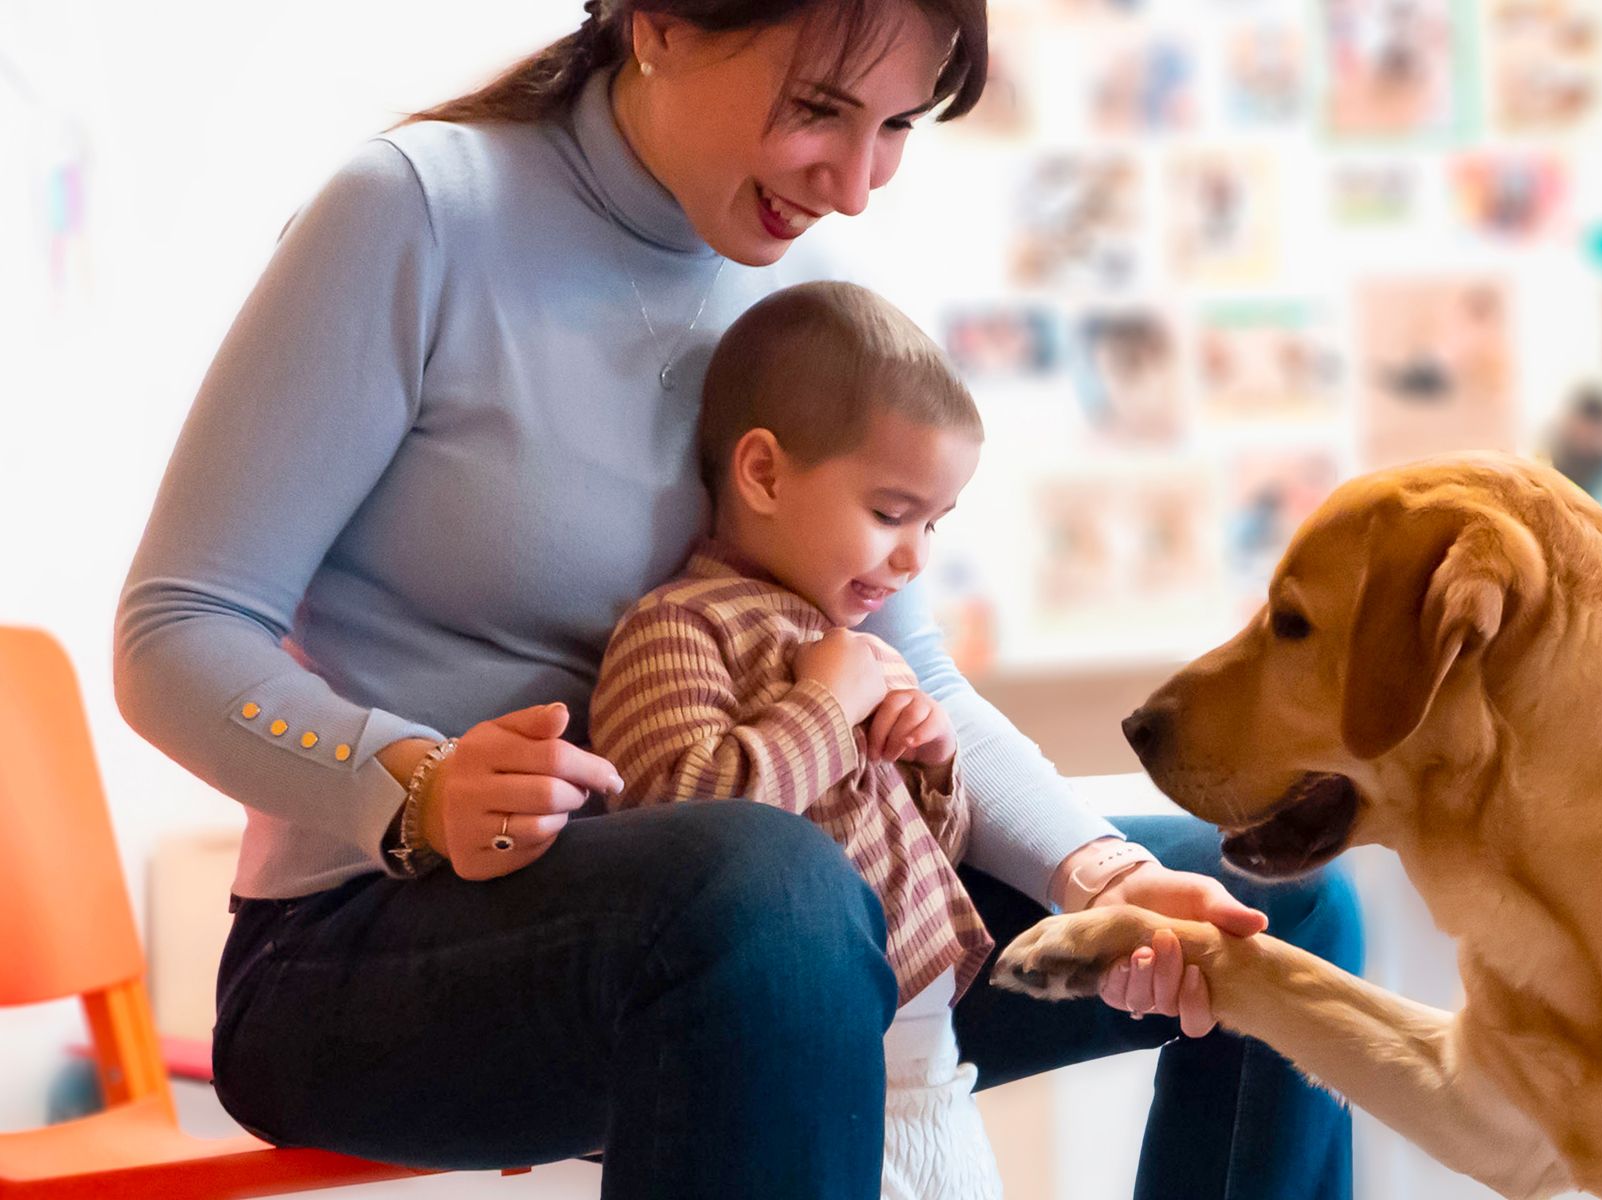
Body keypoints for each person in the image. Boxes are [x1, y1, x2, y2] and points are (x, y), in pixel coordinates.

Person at [112, 2, 1363, 1197]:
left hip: (761, 919)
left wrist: (1098, 878)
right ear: (657, 21)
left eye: (896, 128)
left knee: (1275, 913)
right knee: (772, 888)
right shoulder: (418, 215)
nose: (855, 182)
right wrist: (409, 782)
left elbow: (898, 665)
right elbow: (177, 631)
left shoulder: (794, 287)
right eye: (821, 109)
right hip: (364, 950)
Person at [592, 280, 999, 1199]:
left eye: (933, 525)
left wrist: (933, 766)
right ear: (764, 475)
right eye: (891, 514)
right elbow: (675, 835)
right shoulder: (682, 627)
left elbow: (919, 863)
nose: (915, 558)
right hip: (822, 1067)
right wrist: (822, 708)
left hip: (934, 1074)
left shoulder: (855, 652)